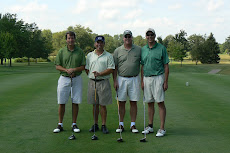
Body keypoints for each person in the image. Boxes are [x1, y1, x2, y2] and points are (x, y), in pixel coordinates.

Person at [53, 31, 86, 133]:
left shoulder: (80, 51)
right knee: (61, 102)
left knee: (75, 102)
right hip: (64, 78)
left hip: (76, 78)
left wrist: (74, 70)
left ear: (74, 39)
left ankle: (74, 124)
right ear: (66, 40)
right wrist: (67, 70)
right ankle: (60, 124)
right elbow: (57, 66)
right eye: (68, 38)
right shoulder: (62, 51)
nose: (70, 40)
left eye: (72, 38)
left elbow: (83, 66)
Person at [141, 28, 169, 137]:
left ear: (155, 35)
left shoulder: (161, 48)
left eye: (151, 34)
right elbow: (142, 66)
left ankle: (162, 128)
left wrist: (166, 81)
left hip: (158, 77)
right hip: (147, 78)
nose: (150, 36)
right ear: (146, 36)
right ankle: (150, 126)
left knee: (160, 102)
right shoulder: (143, 49)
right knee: (149, 102)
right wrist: (142, 81)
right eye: (148, 35)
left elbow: (166, 66)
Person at [113, 30, 141, 133]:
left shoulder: (138, 49)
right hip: (121, 79)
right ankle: (121, 124)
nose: (127, 38)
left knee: (133, 102)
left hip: (134, 78)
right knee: (121, 102)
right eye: (126, 37)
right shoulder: (117, 50)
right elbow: (115, 67)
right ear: (123, 38)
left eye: (129, 36)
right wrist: (115, 80)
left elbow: (142, 64)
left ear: (131, 37)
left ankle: (133, 125)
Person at [85, 36, 115, 134]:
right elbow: (87, 68)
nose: (99, 44)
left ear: (104, 44)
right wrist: (92, 76)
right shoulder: (90, 55)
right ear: (95, 44)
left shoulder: (109, 56)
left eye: (101, 42)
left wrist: (100, 74)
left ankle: (103, 124)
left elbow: (111, 69)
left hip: (103, 82)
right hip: (92, 82)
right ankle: (95, 124)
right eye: (97, 42)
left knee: (103, 105)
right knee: (94, 105)